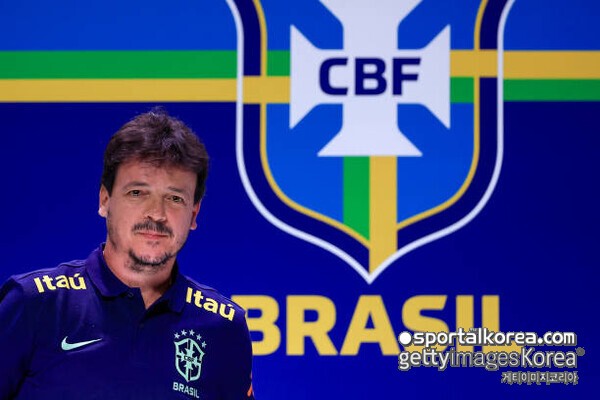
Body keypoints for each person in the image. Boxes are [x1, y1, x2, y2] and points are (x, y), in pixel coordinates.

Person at [0, 110, 255, 399]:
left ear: (193, 214)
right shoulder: (34, 304)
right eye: (137, 193)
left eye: (174, 198)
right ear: (105, 200)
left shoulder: (223, 328)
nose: (156, 213)